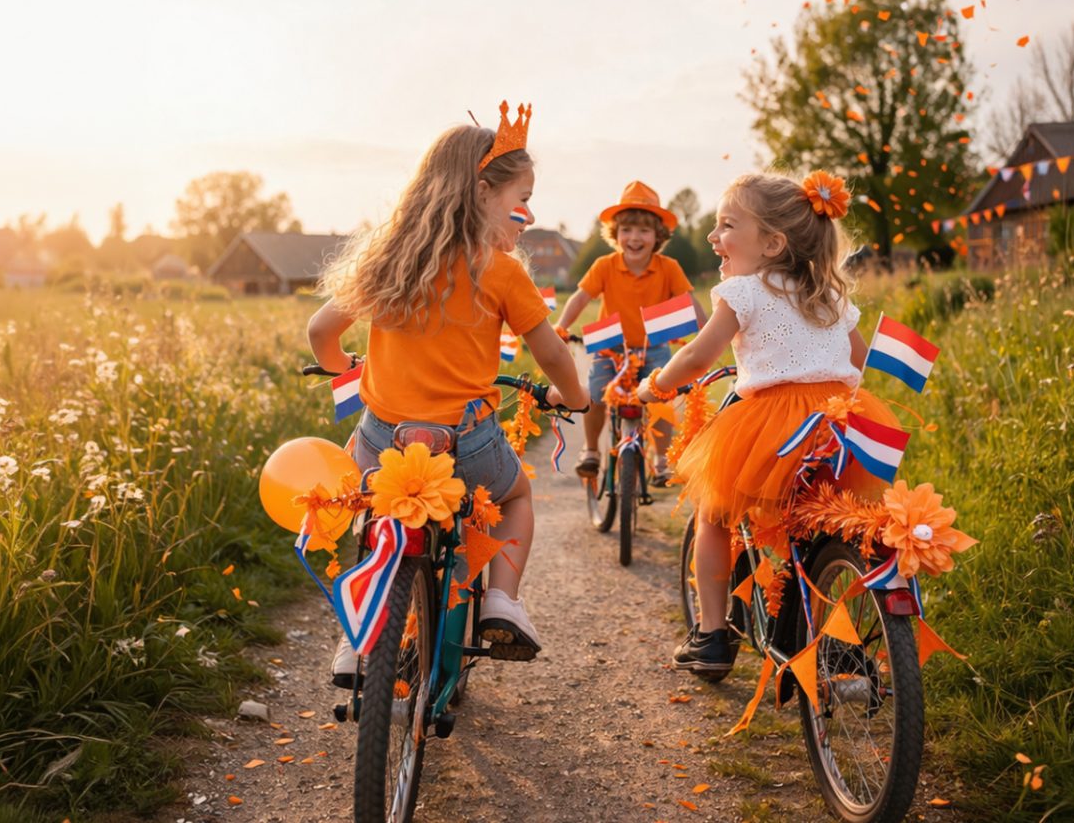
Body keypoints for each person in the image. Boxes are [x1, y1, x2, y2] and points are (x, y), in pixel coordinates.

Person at [308, 103, 589, 684]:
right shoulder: (502, 269)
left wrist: (343, 366)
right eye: (521, 198)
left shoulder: (389, 257)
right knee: (513, 500)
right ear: (484, 191)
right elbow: (552, 352)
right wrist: (576, 398)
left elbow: (320, 331)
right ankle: (501, 602)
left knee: (374, 519)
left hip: (383, 438)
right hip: (466, 440)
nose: (526, 212)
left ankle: (355, 638)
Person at [638, 171, 900, 676]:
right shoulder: (831, 295)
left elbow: (696, 357)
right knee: (819, 521)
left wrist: (657, 386)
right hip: (839, 423)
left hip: (772, 424)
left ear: (772, 243)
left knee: (713, 515)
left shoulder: (744, 291)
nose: (714, 238)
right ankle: (825, 621)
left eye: (727, 225)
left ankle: (713, 636)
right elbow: (860, 363)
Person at [553, 181, 704, 485]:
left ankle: (661, 460)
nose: (634, 238)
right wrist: (563, 326)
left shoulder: (668, 267)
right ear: (616, 234)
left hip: (653, 349)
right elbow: (580, 298)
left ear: (658, 236)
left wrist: (706, 336)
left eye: (644, 231)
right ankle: (592, 450)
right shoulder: (605, 265)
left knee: (661, 397)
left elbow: (690, 304)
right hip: (610, 347)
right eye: (627, 230)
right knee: (595, 395)